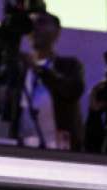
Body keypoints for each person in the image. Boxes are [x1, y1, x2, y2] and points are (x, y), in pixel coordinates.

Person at [16, 10, 85, 150]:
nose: (35, 28)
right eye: (31, 24)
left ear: (57, 32)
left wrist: (39, 70)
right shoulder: (20, 68)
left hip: (59, 148)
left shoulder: (69, 65)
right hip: (22, 147)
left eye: (41, 23)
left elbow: (73, 90)